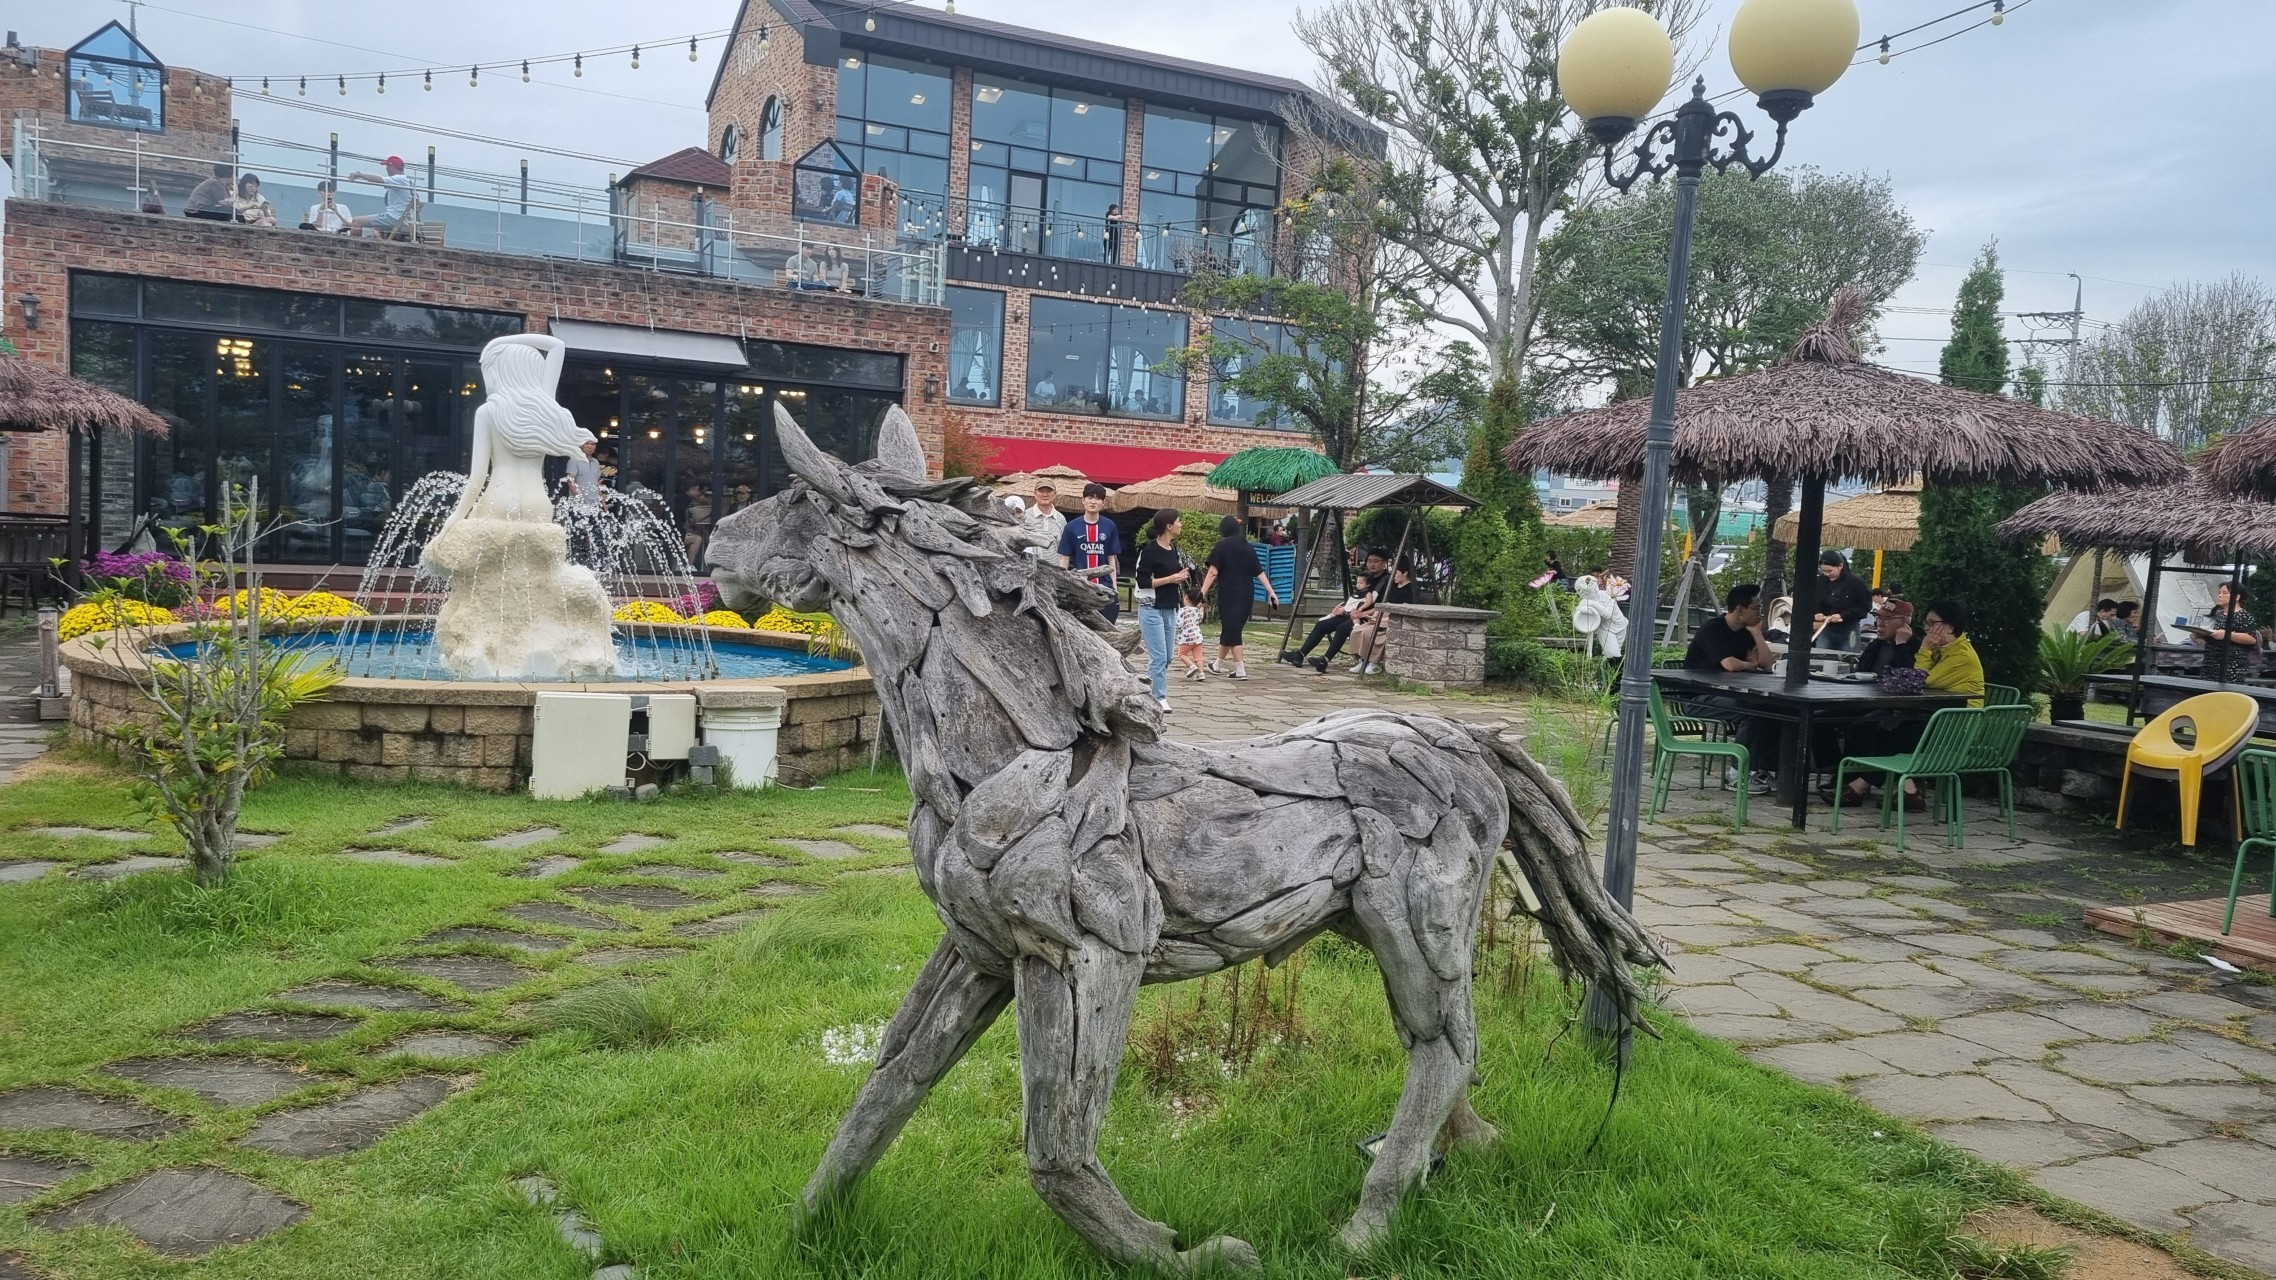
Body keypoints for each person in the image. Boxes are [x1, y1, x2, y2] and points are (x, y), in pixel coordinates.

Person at [1839, 601, 1984, 809]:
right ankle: (1907, 791)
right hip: (1937, 716)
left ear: (1950, 627)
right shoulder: (1942, 650)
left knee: (1893, 734)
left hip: (1956, 726)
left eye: (1932, 623)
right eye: (1926, 623)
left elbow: (1920, 680)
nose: (1926, 629)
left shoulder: (1961, 655)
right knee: (1875, 727)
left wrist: (1924, 649)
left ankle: (1862, 786)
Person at [1682, 583, 1779, 795]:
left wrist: (1757, 634)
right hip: (1699, 697)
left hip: (1731, 694)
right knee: (1753, 712)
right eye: (1756, 608)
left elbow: (1768, 664)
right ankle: (1737, 774)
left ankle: (1764, 770)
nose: (1760, 614)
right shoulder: (1712, 629)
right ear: (1739, 609)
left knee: (1777, 709)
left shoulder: (1747, 632)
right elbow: (1730, 664)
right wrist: (1749, 664)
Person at [1200, 515, 1277, 679]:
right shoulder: (1248, 547)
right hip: (1247, 594)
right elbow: (1259, 572)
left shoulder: (1222, 546)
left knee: (1232, 629)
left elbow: (1212, 572)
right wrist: (1271, 592)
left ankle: (1240, 669)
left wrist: (1201, 594)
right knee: (1231, 628)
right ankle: (1217, 664)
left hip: (1229, 594)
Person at [1131, 509, 1190, 711]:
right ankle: (1158, 697)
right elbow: (1142, 581)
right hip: (1151, 608)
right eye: (1178, 521)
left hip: (1169, 607)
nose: (1181, 524)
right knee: (1159, 656)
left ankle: (1145, 689)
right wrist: (1171, 579)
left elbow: (1172, 575)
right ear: (1169, 526)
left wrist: (1180, 577)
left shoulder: (1173, 549)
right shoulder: (1149, 551)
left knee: (1168, 657)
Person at [1056, 482, 1123, 623]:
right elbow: (1064, 558)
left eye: (1097, 498)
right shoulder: (1071, 527)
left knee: (1107, 626)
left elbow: (1112, 558)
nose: (1093, 502)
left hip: (1104, 587)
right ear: (1083, 500)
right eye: (1090, 498)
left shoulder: (1109, 526)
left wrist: (1114, 586)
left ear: (1103, 503)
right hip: (1080, 586)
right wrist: (1061, 584)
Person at [1282, 571, 1375, 673]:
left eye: (1375, 562)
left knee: (1342, 628)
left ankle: (1325, 660)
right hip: (1349, 614)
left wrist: (1362, 613)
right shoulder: (1360, 588)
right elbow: (1352, 601)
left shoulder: (1378, 587)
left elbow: (1377, 607)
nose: (1372, 564)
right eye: (1370, 562)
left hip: (1364, 617)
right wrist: (1342, 608)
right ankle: (1300, 655)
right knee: (1322, 624)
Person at [1349, 561, 1416, 675]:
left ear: (1405, 573)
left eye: (1396, 573)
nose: (1393, 575)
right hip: (1381, 616)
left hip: (1394, 620)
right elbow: (1383, 604)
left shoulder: (1410, 590)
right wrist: (1374, 616)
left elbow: (1402, 613)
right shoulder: (1392, 586)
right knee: (1357, 631)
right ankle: (1362, 660)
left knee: (1368, 633)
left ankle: (1374, 662)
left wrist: (1381, 620)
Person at [2198, 581, 2261, 683]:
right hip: (2210, 664)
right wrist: (2200, 633)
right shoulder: (2218, 615)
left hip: (2231, 667)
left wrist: (2226, 635)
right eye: (2219, 593)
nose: (2220, 595)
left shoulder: (2244, 616)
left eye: (2224, 593)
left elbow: (2251, 639)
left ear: (2237, 597)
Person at [1813, 550, 1872, 651]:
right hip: (1827, 628)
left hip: (1850, 629)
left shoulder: (1856, 583)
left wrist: (1842, 616)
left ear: (1840, 566)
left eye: (1830, 571)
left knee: (1848, 657)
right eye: (1824, 571)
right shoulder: (1821, 582)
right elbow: (1815, 601)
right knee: (1821, 655)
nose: (1827, 574)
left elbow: (1865, 606)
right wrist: (1817, 613)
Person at [346, 155, 417, 238]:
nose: (386, 169)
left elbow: (379, 180)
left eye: (387, 166)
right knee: (376, 231)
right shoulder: (408, 181)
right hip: (404, 219)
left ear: (392, 167)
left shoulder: (399, 179)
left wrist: (359, 175)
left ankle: (354, 244)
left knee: (356, 221)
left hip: (395, 218)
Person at [1854, 598, 1919, 675]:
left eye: (1887, 619)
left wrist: (1901, 645)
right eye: (1878, 618)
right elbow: (1859, 672)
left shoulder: (1916, 647)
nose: (1880, 624)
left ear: (1905, 623)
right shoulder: (1874, 646)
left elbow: (1908, 677)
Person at [1175, 583, 1209, 681]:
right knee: (1198, 657)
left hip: (1186, 638)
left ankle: (1192, 666)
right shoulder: (1197, 611)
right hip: (1197, 638)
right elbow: (1200, 618)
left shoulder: (1182, 611)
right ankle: (1201, 673)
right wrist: (1202, 608)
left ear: (1186, 598)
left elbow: (1178, 624)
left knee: (1182, 654)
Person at [1024, 480, 1066, 555]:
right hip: (1031, 562)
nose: (1045, 494)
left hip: (1055, 562)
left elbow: (1065, 546)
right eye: (1041, 491)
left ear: (1055, 494)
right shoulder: (1025, 516)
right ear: (1035, 494)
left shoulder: (1061, 518)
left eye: (1048, 491)